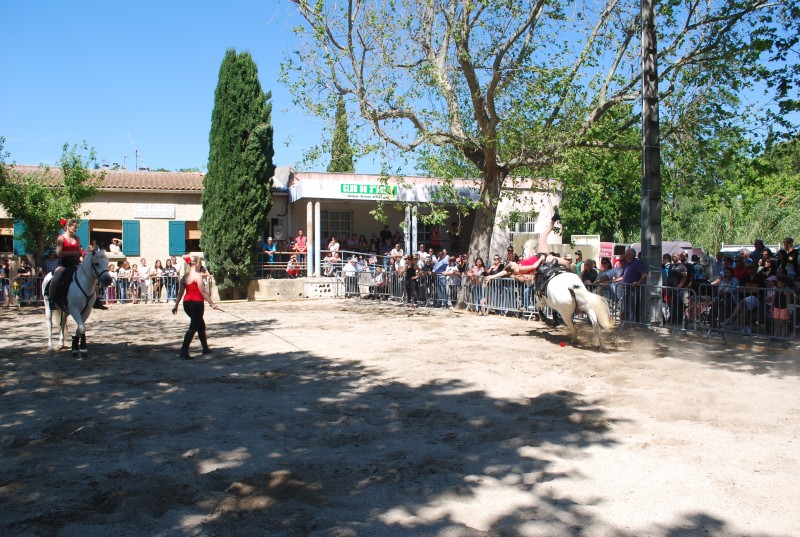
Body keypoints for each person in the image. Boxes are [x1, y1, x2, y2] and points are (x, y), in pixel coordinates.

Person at [172, 256, 219, 359]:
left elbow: (180, 294)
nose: (200, 265)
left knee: (200, 324)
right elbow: (202, 291)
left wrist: (176, 306)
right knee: (193, 327)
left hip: (187, 304)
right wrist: (212, 303)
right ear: (195, 263)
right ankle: (183, 351)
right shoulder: (198, 276)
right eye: (199, 263)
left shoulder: (184, 277)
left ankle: (205, 348)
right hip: (197, 303)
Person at [48, 219, 83, 309]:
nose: (76, 229)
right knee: (55, 279)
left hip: (75, 263)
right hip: (64, 264)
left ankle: (94, 299)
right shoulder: (61, 238)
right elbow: (59, 253)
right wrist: (72, 253)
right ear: (68, 227)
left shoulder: (77, 238)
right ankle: (52, 300)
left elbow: (79, 252)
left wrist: (82, 259)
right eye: (74, 227)